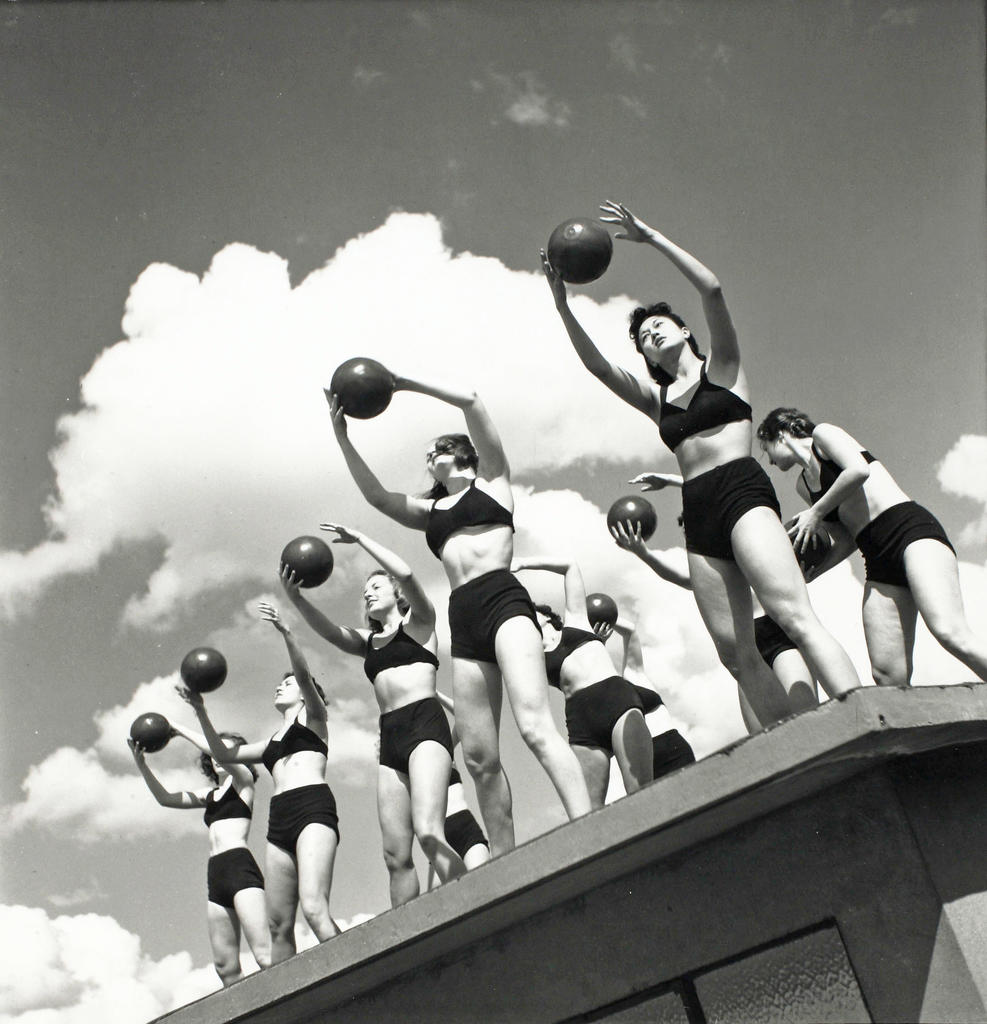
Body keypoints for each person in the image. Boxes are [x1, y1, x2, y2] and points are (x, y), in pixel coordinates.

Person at [541, 201, 860, 729]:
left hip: (742, 491)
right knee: (735, 651)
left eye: (661, 325)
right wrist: (562, 306)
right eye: (645, 336)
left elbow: (711, 289)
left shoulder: (725, 369)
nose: (653, 334)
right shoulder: (656, 399)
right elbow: (597, 367)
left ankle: (857, 712)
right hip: (698, 507)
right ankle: (791, 743)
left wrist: (651, 237)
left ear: (686, 332)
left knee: (793, 615)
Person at [328, 374, 591, 854]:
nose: (430, 458)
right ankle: (505, 860)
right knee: (477, 756)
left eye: (438, 450)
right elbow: (377, 497)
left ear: (462, 455)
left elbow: (471, 399)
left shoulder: (493, 481)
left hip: (504, 599)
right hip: (462, 616)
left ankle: (592, 829)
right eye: (428, 455)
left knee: (533, 724)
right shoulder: (431, 511)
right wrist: (342, 437)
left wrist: (400, 383)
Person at [278, 524, 466, 907]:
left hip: (425, 725)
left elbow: (410, 575)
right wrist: (295, 599)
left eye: (376, 588)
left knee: (430, 831)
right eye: (365, 592)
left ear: (397, 595)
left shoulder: (421, 625)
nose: (367, 593)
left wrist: (361, 540)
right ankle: (410, 937)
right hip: (391, 735)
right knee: (395, 856)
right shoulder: (370, 643)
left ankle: (475, 903)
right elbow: (330, 633)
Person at [757, 407, 987, 686]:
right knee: (887, 673)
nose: (767, 459)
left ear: (780, 434)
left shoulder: (823, 435)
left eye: (765, 448)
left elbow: (858, 470)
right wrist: (812, 574)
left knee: (949, 631)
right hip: (876, 558)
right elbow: (845, 539)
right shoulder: (803, 486)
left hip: (909, 531)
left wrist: (816, 512)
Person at [186, 602, 339, 964]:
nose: (279, 686)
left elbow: (303, 676)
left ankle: (367, 989)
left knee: (314, 907)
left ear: (304, 693)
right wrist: (200, 711)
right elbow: (224, 756)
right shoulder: (270, 742)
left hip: (312, 807)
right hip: (280, 817)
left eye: (287, 684)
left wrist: (287, 634)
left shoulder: (316, 719)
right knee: (278, 924)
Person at [612, 498, 820, 713]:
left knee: (806, 712)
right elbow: (678, 576)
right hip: (745, 648)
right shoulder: (713, 574)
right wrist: (643, 554)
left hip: (778, 636)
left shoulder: (752, 549)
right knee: (766, 733)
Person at [128, 723, 270, 985]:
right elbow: (166, 799)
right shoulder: (211, 795)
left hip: (240, 867)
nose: (216, 755)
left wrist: (179, 730)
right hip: (216, 874)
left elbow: (222, 755)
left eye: (225, 751)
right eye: (214, 752)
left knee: (264, 954)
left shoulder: (244, 783)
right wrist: (142, 766)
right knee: (225, 967)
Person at [513, 554, 654, 808]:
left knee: (641, 793)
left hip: (617, 701)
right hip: (581, 723)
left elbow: (569, 566)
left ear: (545, 616)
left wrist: (523, 563)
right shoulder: (531, 658)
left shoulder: (577, 621)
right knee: (588, 814)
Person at [591, 614, 697, 781]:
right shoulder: (600, 695)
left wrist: (605, 617)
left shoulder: (633, 675)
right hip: (640, 763)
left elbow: (630, 631)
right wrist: (595, 643)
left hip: (673, 748)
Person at [426, 691, 491, 891]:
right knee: (439, 909)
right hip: (437, 839)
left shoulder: (445, 749)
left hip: (466, 832)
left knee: (483, 890)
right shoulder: (408, 767)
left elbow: (464, 715)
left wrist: (435, 694)